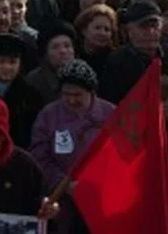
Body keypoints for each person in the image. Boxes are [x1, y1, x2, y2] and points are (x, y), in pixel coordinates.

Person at [28, 60, 113, 233]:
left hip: (102, 200)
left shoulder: (110, 114)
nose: (71, 100)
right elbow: (39, 156)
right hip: (63, 202)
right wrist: (64, 184)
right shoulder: (49, 115)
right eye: (66, 94)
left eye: (78, 95)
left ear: (90, 92)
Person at [100, 0, 168, 104]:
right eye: (144, 27)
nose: (151, 32)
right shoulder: (117, 61)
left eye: (155, 26)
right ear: (128, 30)